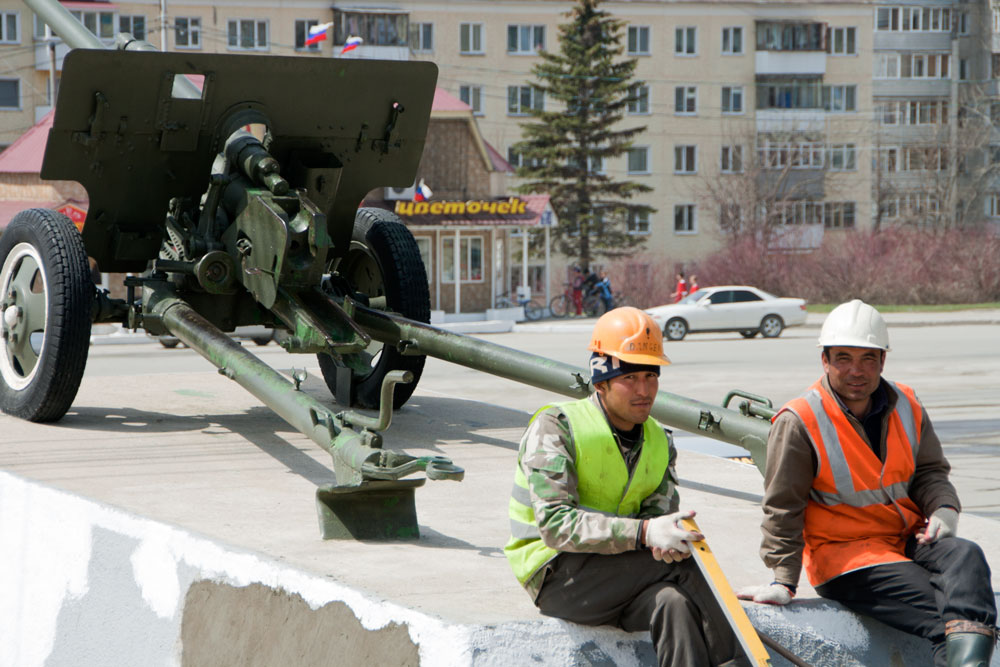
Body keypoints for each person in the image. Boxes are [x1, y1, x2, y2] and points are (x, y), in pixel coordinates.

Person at [740, 299, 996, 666]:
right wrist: (784, 579)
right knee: (950, 622)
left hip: (904, 539)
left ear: (883, 361)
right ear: (824, 360)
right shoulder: (800, 420)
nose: (855, 371)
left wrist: (944, 506)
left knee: (967, 555)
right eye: (843, 358)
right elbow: (783, 506)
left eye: (868, 359)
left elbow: (929, 472)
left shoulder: (907, 404)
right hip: (847, 557)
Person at [505, 307, 749, 667]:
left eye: (651, 377)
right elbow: (555, 525)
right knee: (689, 569)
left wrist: (667, 537)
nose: (643, 390)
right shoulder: (557, 426)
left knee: (674, 602)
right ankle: (740, 663)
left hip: (619, 576)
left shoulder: (658, 441)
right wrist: (647, 533)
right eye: (630, 378)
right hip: (557, 577)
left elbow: (656, 530)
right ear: (601, 380)